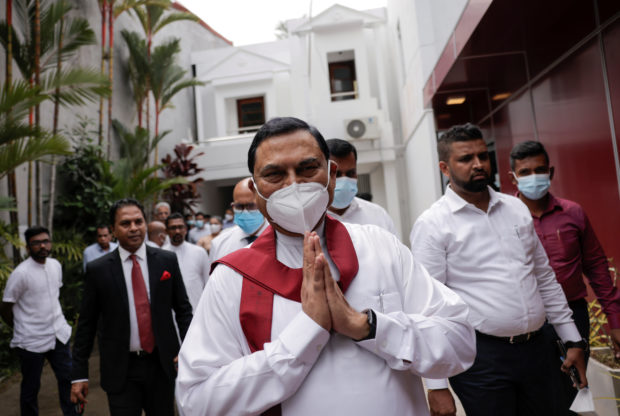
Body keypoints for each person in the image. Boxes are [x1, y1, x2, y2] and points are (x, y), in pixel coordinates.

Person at [175, 116, 476, 415]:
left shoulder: (380, 248)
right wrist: (306, 332)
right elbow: (197, 400)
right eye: (275, 174)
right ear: (256, 192)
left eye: (307, 168)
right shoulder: (233, 278)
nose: (294, 185)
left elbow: (460, 342)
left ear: (331, 174)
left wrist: (370, 326)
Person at [410, 123, 588, 416]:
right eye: (466, 159)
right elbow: (427, 306)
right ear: (445, 167)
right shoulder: (432, 224)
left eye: (483, 155)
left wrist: (572, 339)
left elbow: (543, 277)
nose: (478, 164)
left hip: (538, 350)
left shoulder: (516, 208)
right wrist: (436, 385)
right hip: (481, 358)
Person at [510, 140, 619, 411]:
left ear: (551, 172)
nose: (533, 176)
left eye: (539, 169)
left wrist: (615, 320)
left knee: (572, 393)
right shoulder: (504, 218)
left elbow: (596, 267)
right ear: (513, 177)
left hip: (573, 315)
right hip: (526, 323)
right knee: (533, 396)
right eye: (524, 172)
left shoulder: (573, 213)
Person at [71, 198, 193, 415]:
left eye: (138, 221)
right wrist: (79, 375)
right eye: (126, 223)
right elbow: (86, 326)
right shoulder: (98, 270)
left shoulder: (166, 261)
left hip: (162, 365)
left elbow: (183, 311)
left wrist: (189, 350)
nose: (134, 228)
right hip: (120, 369)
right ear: (113, 230)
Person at [1, 226, 76, 416]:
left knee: (68, 379)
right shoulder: (21, 274)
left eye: (45, 241)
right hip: (31, 340)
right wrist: (20, 327)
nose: (42, 246)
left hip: (58, 333)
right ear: (28, 247)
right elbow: (5, 307)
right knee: (31, 388)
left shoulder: (55, 265)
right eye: (36, 243)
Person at [326, 138, 397, 235]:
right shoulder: (312, 220)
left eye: (350, 173)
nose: (344, 180)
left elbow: (396, 249)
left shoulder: (378, 215)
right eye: (337, 174)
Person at [208, 178, 268, 264]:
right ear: (233, 207)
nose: (245, 212)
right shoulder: (219, 243)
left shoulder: (282, 238)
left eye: (251, 206)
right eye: (239, 206)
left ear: (263, 204)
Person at [162, 213, 210, 312]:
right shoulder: (161, 255)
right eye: (173, 228)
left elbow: (208, 284)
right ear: (166, 231)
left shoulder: (199, 252)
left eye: (180, 227)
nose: (177, 231)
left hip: (197, 311)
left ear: (186, 229)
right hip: (171, 315)